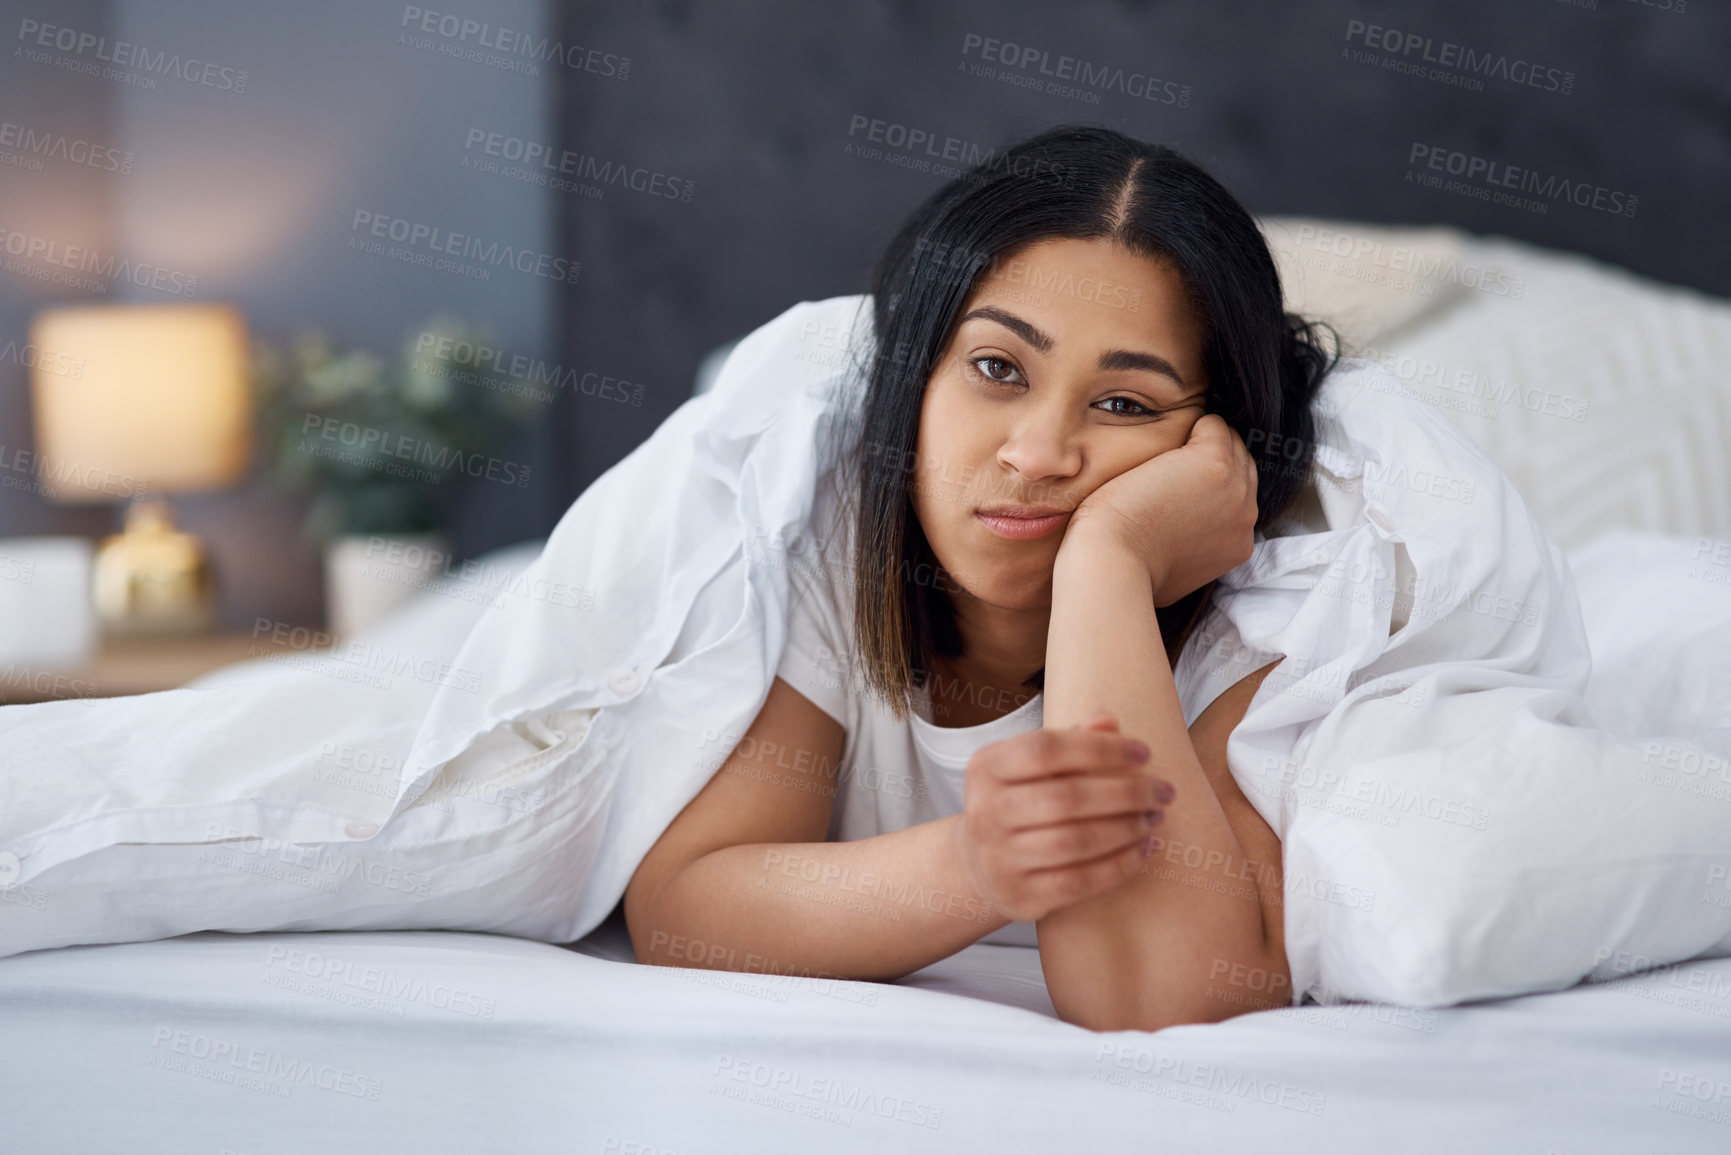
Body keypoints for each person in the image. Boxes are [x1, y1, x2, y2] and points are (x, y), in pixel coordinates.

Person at [623, 124, 1339, 1033]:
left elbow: (1155, 994)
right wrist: (973, 865)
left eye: (1124, 403)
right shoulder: (823, 527)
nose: (1037, 454)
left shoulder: (1262, 609)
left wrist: (1109, 560)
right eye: (997, 368)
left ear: (1213, 443)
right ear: (915, 374)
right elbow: (683, 907)